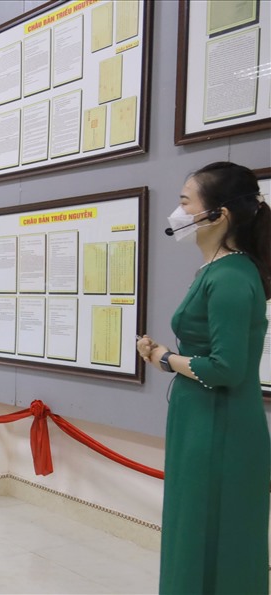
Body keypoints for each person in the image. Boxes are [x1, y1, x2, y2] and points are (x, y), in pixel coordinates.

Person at [136, 162, 270, 594]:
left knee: (212, 536)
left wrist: (164, 357)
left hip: (220, 426)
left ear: (218, 214)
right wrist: (166, 357)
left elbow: (226, 368)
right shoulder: (215, 269)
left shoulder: (230, 276)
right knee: (192, 530)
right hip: (201, 419)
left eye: (185, 202)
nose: (178, 213)